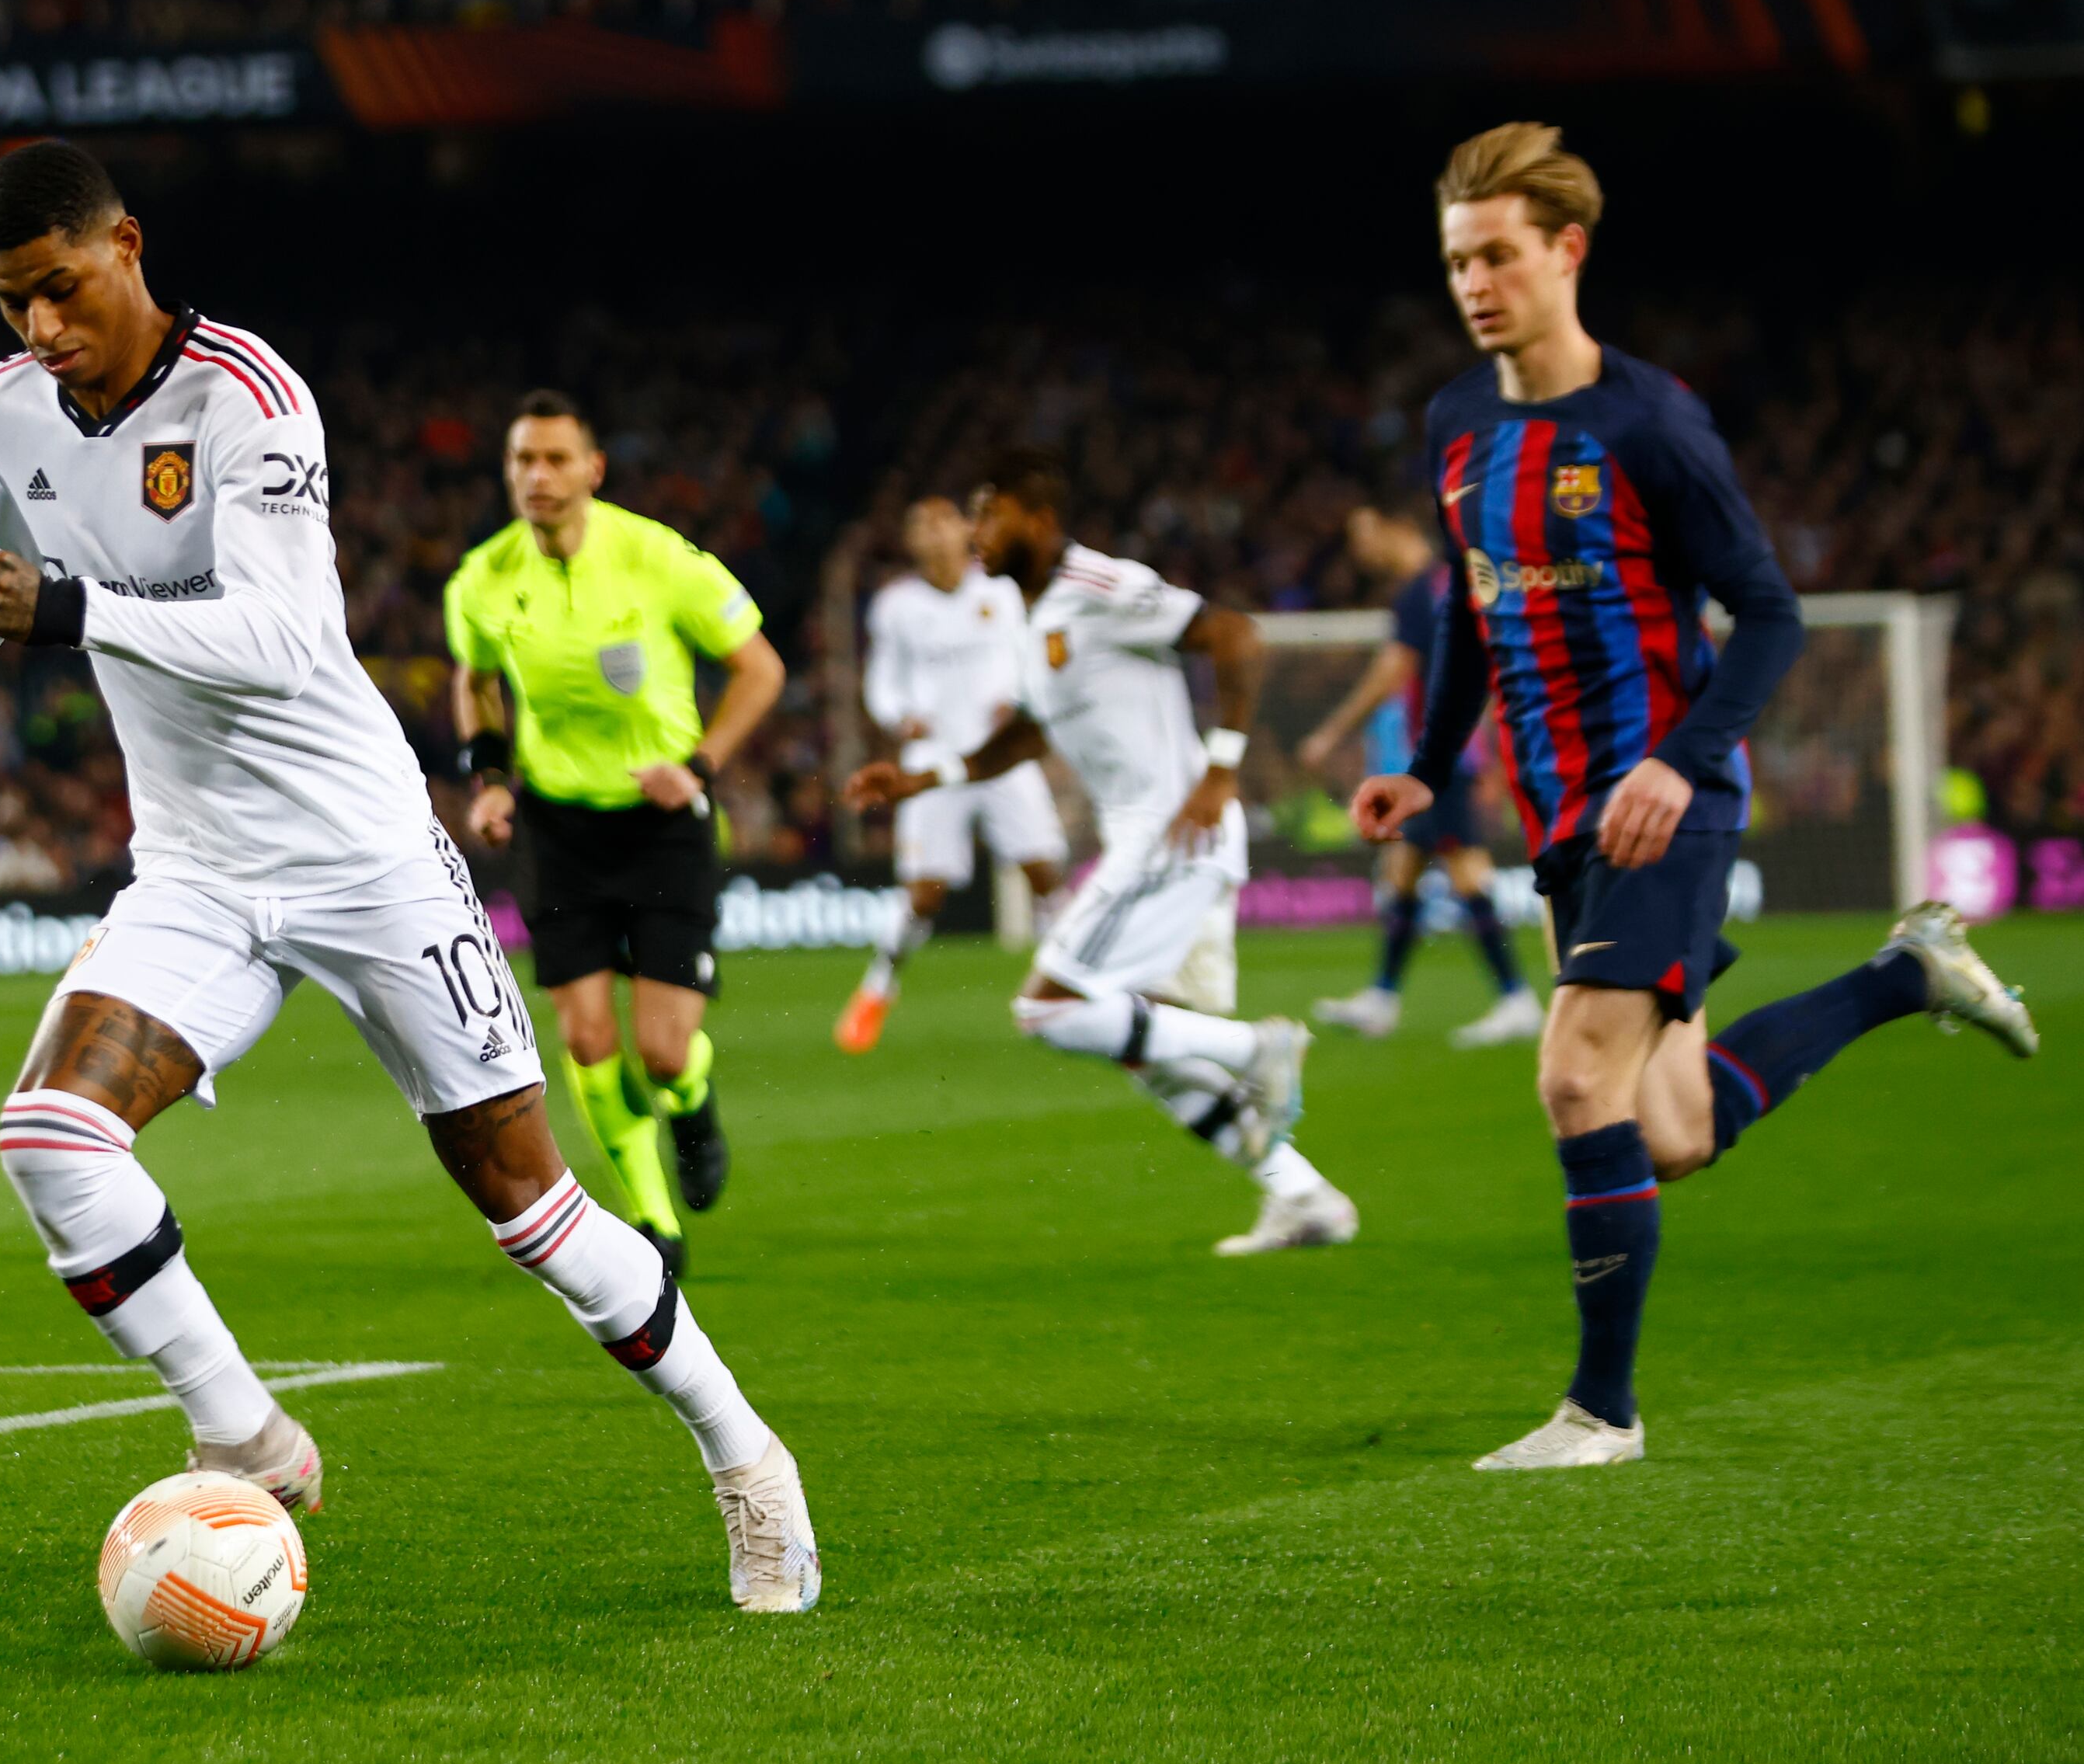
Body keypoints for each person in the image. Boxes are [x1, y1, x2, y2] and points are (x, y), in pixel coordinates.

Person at [0, 139, 819, 1612]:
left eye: (62, 289)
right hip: (199, 873)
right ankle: (245, 1435)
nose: (39, 328)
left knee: (529, 1204)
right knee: (50, 1136)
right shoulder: (6, 411)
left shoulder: (250, 398)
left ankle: (747, 1456)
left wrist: (74, 611)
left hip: (366, 856)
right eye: (12, 302)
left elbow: (281, 633)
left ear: (128, 245)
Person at [1345, 126, 2036, 1472]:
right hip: (1560, 817)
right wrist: (1430, 764)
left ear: (1566, 252)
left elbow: (1770, 614)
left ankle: (1601, 1413)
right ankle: (1905, 974)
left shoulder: (1650, 424)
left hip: (1668, 798)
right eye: (1456, 261)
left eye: (1498, 255)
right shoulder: (1456, 426)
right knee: (1670, 1129)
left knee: (1568, 1076)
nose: (1476, 283)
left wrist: (1678, 757)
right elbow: (1473, 620)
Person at [847, 447, 1362, 1257]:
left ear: (1039, 519)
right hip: (1161, 843)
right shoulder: (1029, 613)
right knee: (1144, 1047)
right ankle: (1302, 1197)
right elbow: (1023, 733)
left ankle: (1258, 1049)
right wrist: (927, 779)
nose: (975, 531)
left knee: (1050, 1008)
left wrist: (1220, 766)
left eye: (990, 513)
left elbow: (1233, 633)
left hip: (1172, 835)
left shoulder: (1099, 587)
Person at [444, 394, 787, 1268]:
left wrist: (699, 768)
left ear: (593, 470)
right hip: (558, 828)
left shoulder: (656, 558)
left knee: (664, 1051)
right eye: (523, 461)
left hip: (662, 823)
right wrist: (489, 781)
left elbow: (758, 666)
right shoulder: (481, 578)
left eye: (556, 460)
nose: (538, 477)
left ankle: (692, 1101)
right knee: (588, 1040)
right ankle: (653, 1223)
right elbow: (477, 678)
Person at [1296, 499, 1544, 1046]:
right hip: (1443, 755)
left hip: (1437, 758)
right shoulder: (1448, 583)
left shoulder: (1418, 591)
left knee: (1465, 870)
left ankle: (1515, 997)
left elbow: (1393, 670)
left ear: (1397, 526)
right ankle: (1382, 996)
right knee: (1404, 871)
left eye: (1365, 533)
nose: (1360, 551)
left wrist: (1332, 731)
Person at [838, 494, 1070, 1056]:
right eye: (923, 523)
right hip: (933, 763)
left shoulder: (1000, 591)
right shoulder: (897, 605)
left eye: (945, 520)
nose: (936, 532)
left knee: (1045, 872)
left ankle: (1066, 986)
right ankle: (877, 988)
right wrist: (900, 715)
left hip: (1000, 754)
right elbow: (883, 682)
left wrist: (1015, 700)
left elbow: (1027, 657)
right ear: (910, 540)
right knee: (925, 893)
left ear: (966, 530)